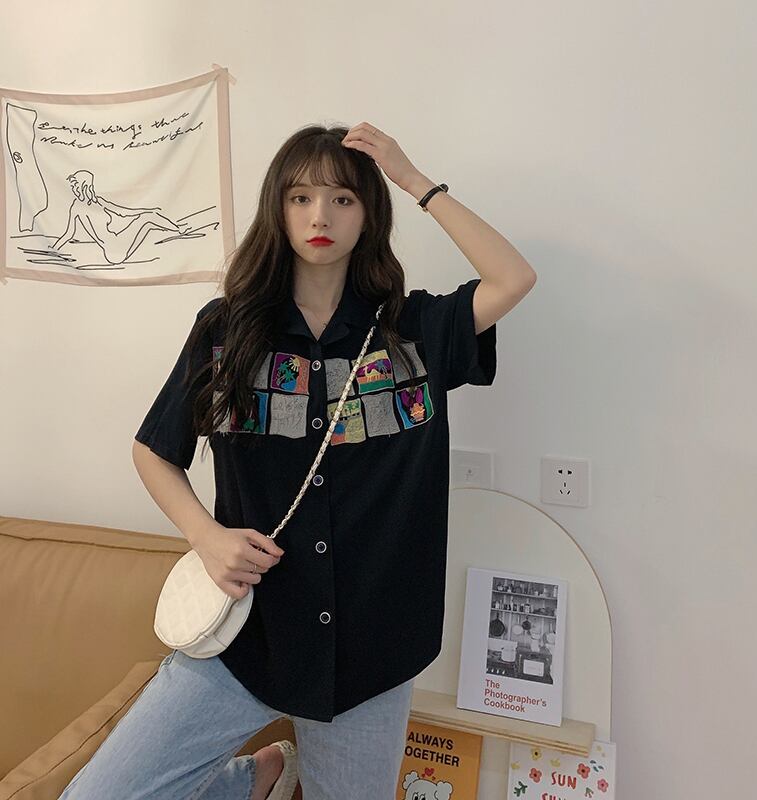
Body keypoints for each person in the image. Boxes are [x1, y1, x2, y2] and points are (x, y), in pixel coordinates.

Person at [58, 121, 536, 800]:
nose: (320, 217)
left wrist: (411, 178)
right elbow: (154, 451)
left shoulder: (414, 331)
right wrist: (206, 537)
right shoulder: (227, 329)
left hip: (370, 651)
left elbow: (514, 277)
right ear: (277, 210)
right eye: (301, 197)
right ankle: (255, 779)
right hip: (247, 636)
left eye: (343, 199)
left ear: (368, 214)